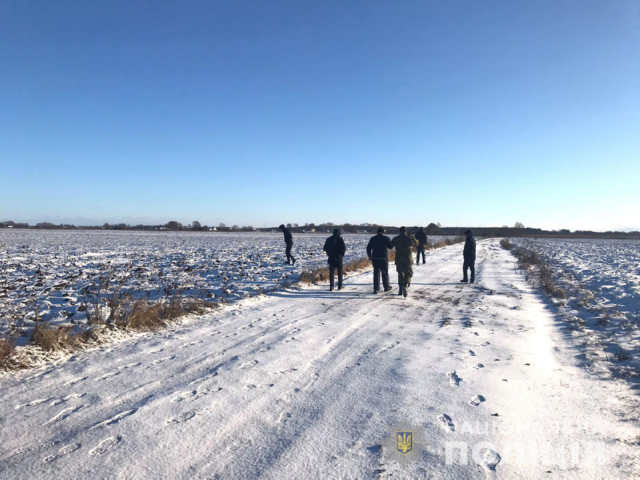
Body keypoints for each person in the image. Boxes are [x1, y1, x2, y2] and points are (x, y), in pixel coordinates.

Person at [366, 227, 393, 293]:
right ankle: (386, 287)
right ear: (383, 232)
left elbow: (368, 248)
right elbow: (390, 247)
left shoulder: (373, 238)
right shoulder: (386, 238)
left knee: (376, 273)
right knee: (385, 273)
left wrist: (369, 256)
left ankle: (376, 288)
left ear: (377, 232)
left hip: (375, 258)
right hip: (383, 258)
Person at [391, 226, 417, 297]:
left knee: (400, 273)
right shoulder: (409, 238)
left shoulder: (396, 238)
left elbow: (390, 246)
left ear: (399, 231)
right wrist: (412, 237)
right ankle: (405, 285)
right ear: (405, 231)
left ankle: (400, 289)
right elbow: (416, 244)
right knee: (409, 273)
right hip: (407, 259)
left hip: (398, 258)